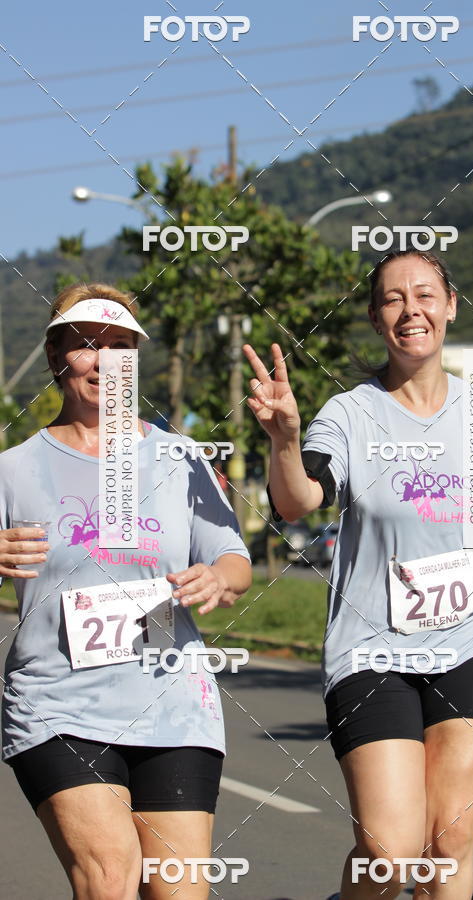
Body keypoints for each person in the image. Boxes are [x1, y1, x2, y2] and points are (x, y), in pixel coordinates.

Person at [243, 248, 473, 900]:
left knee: (449, 844)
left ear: (450, 305)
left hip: (469, 640)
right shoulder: (350, 414)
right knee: (391, 850)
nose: (412, 309)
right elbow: (299, 501)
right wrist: (285, 440)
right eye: (393, 299)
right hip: (372, 649)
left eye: (426, 295)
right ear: (378, 321)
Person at [0, 283, 252, 900]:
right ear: (57, 355)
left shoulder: (181, 457)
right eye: (87, 345)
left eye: (120, 346)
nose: (104, 361)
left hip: (173, 703)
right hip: (57, 702)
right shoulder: (12, 469)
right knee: (110, 880)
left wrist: (218, 577)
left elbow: (234, 558)